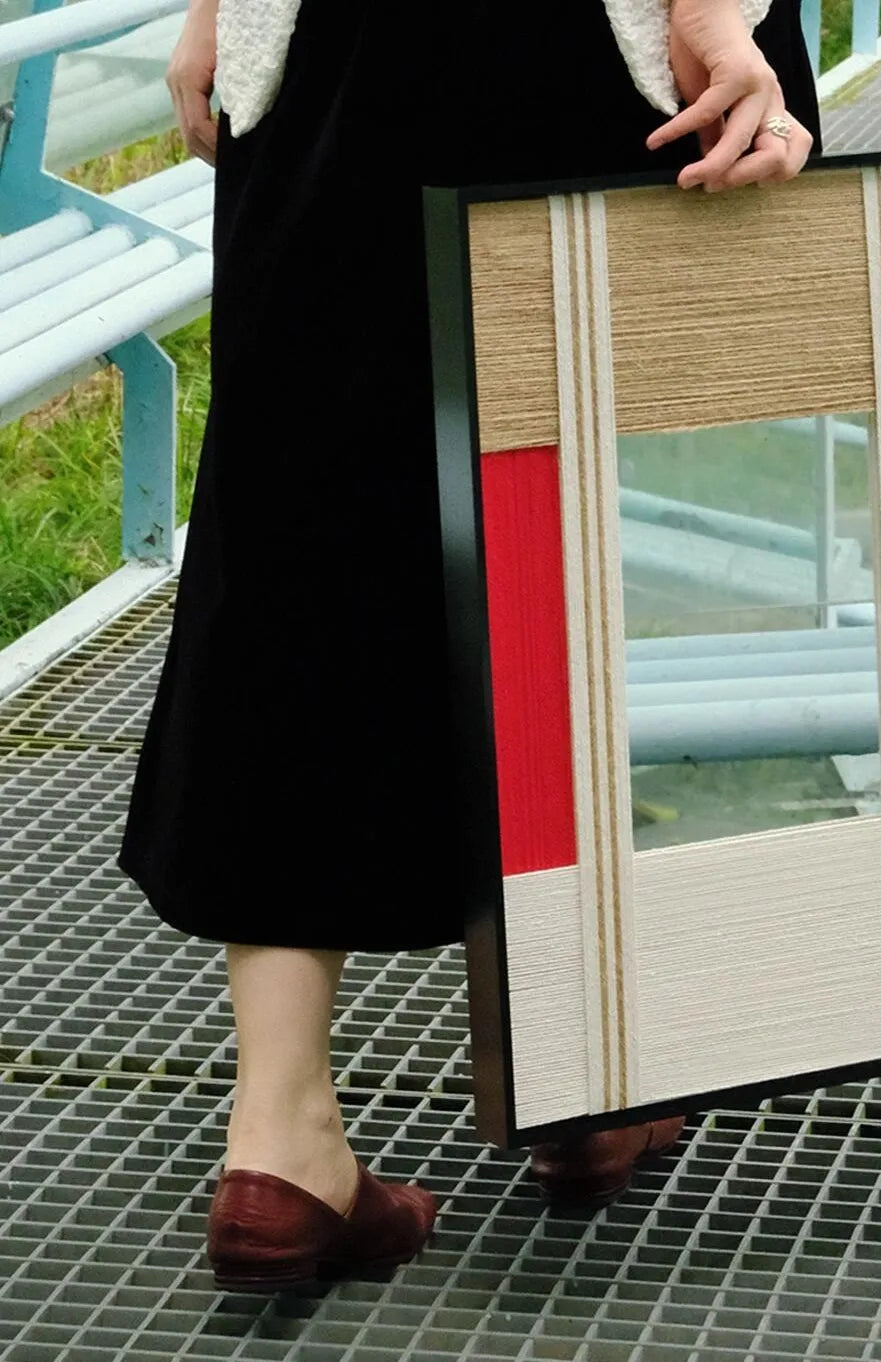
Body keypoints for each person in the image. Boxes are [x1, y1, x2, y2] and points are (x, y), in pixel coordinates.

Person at [120, 0, 819, 1293]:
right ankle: (586, 1062)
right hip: (603, 53)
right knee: (613, 525)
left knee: (300, 541)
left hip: (335, 45)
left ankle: (279, 1140)